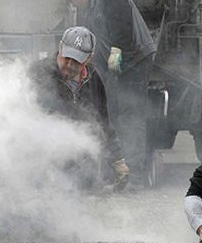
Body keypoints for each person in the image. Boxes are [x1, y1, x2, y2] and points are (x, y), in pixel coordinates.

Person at [63, 0, 156, 187]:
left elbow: (123, 27)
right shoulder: (92, 7)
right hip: (118, 68)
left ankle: (136, 178)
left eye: (72, 0)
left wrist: (116, 51)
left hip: (134, 62)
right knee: (111, 114)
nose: (74, 6)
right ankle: (117, 172)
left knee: (130, 116)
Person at [27, 26, 129, 192]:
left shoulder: (94, 80)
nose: (69, 64)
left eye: (76, 61)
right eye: (66, 57)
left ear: (88, 59)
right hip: (43, 167)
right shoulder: (38, 73)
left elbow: (103, 122)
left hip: (81, 171)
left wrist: (118, 160)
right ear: (60, 48)